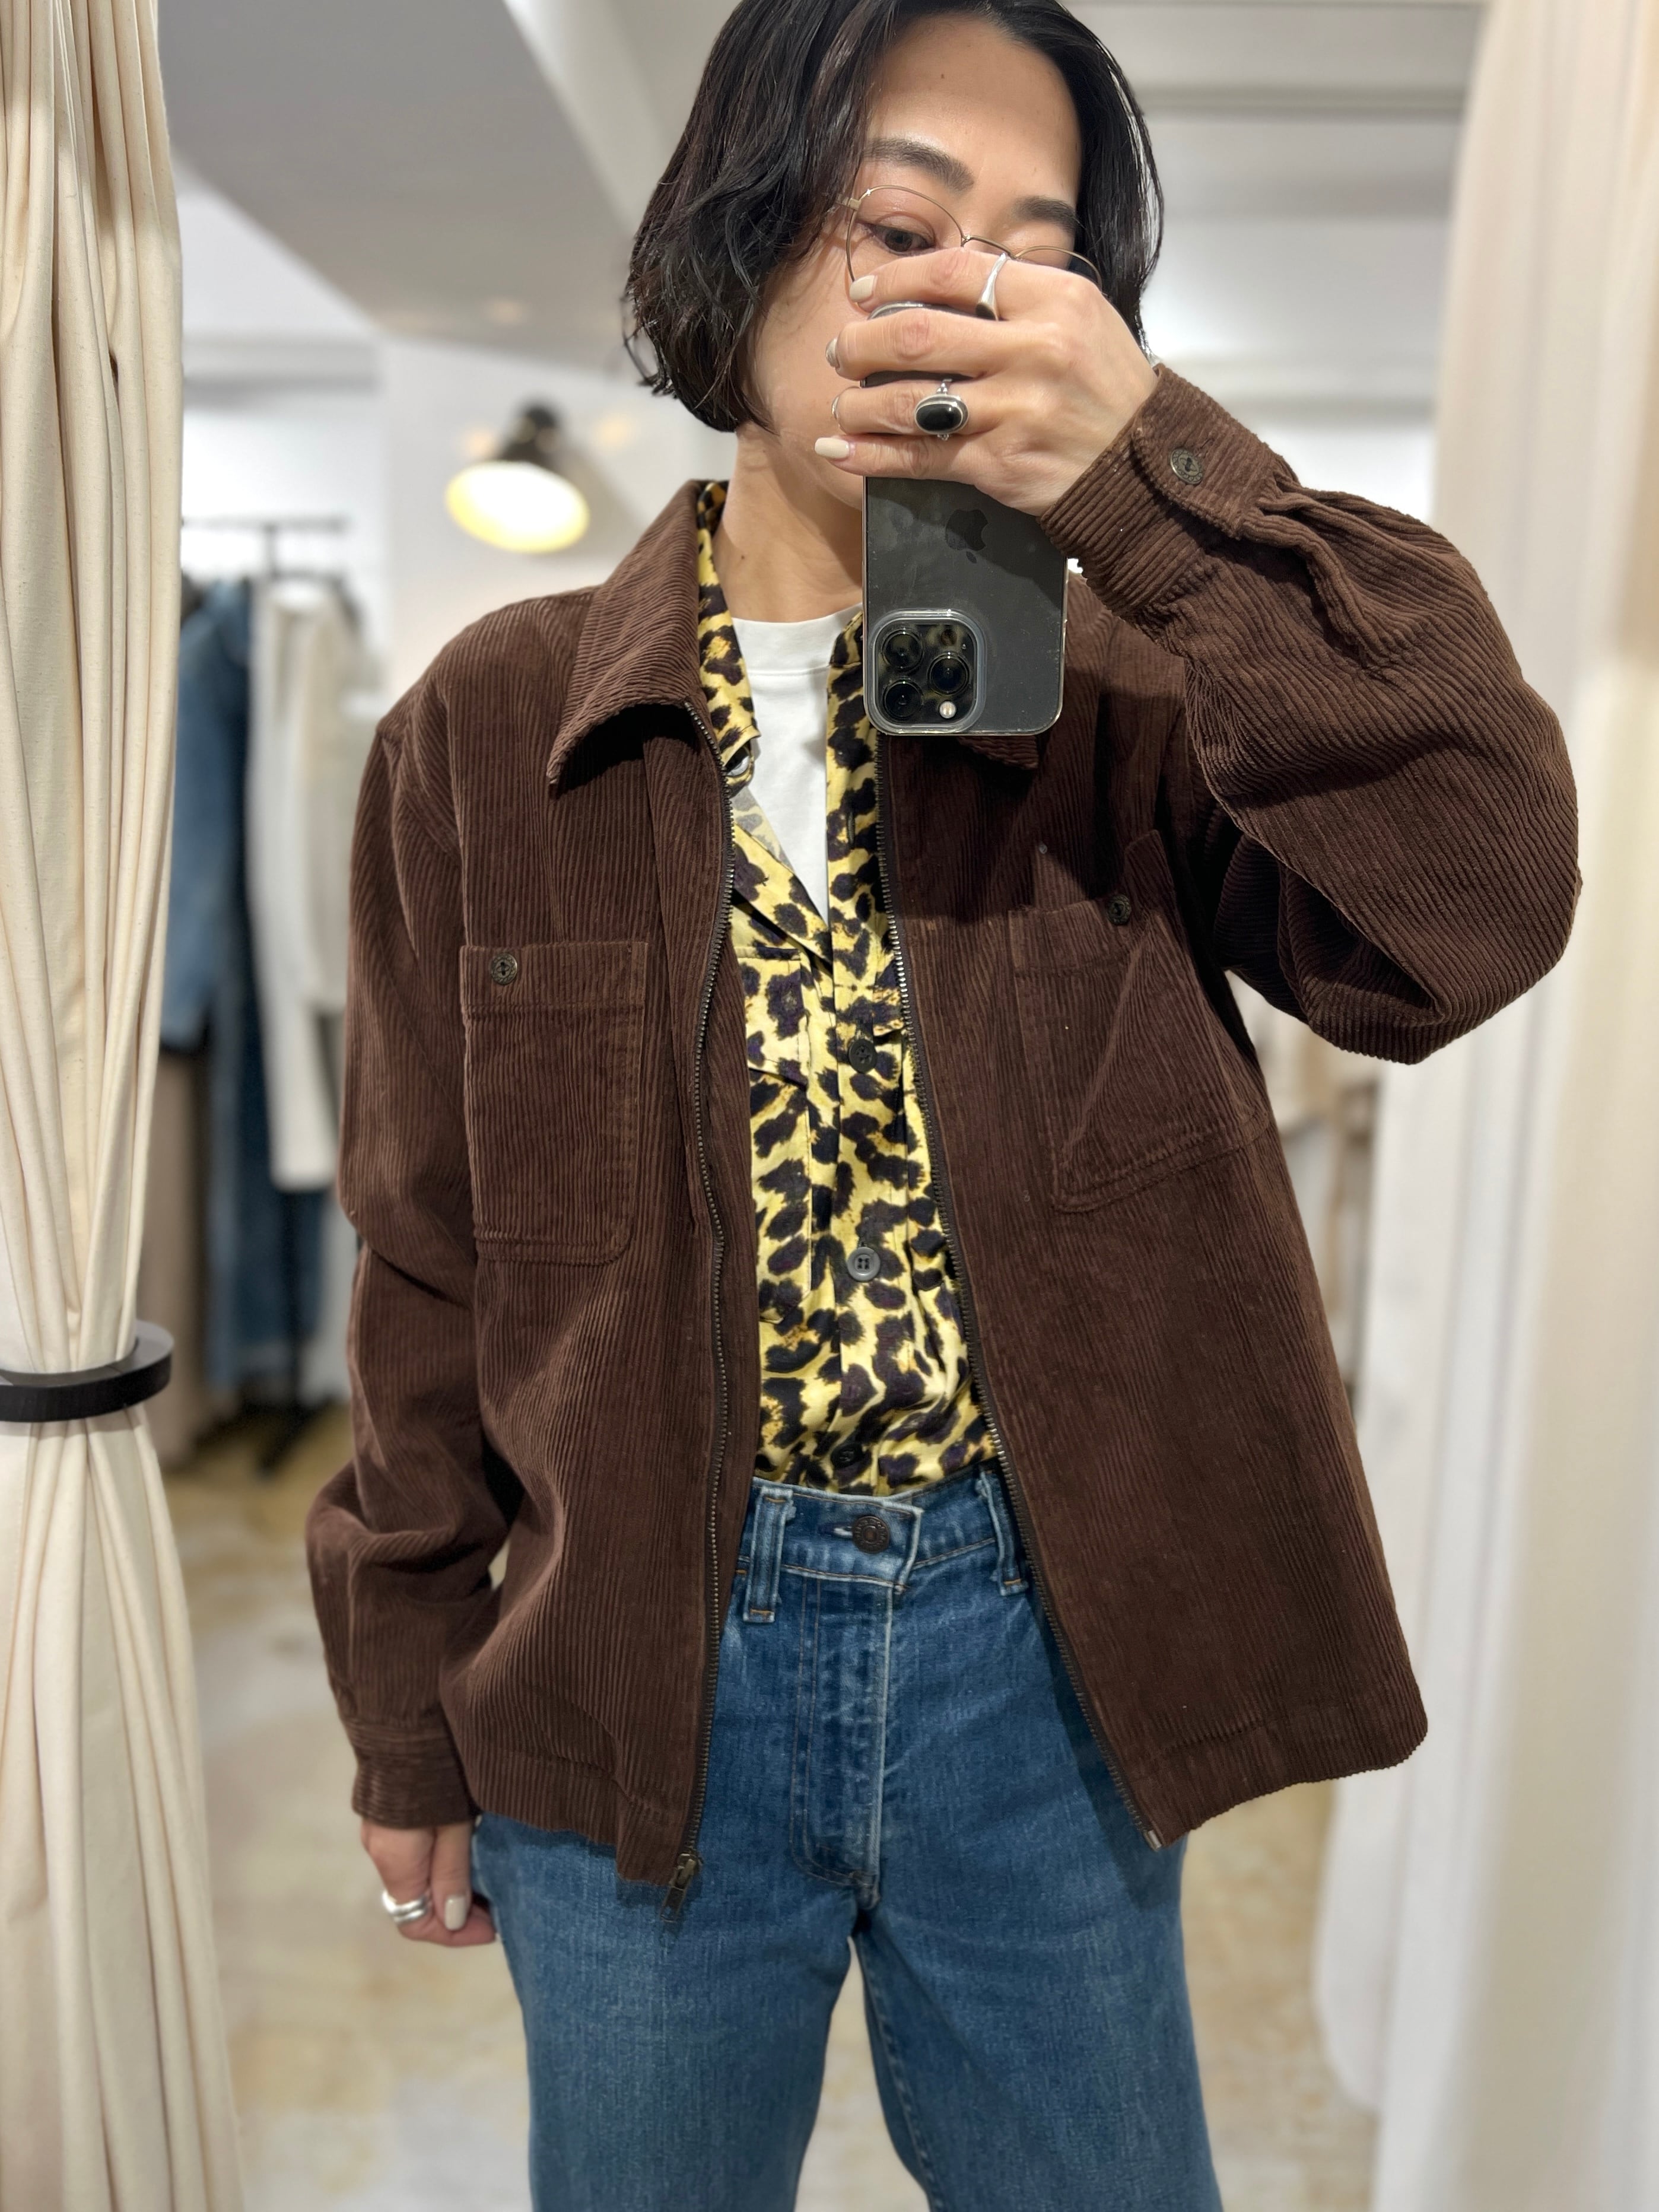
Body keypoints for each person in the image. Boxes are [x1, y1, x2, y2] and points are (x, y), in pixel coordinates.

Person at [306, 1, 1578, 2204]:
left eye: (1034, 258)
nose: (960, 296)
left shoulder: (1133, 694)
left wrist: (1157, 481)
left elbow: (1476, 902)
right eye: (896, 224)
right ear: (736, 237)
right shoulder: (490, 727)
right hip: (633, 1651)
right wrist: (406, 1705)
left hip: (1032, 1651)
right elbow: (429, 1260)